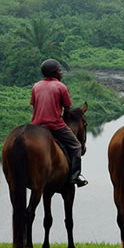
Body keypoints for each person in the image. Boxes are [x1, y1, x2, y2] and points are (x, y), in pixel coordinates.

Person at [31, 58, 88, 187]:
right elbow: (67, 109)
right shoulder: (61, 87)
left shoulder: (36, 86)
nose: (61, 72)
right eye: (59, 70)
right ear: (54, 72)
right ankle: (75, 176)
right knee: (76, 146)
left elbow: (34, 106)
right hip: (55, 125)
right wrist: (64, 122)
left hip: (36, 126)